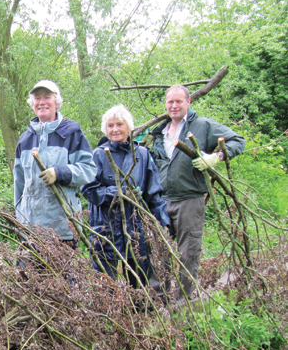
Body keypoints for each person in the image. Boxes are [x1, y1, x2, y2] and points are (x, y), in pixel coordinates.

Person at [149, 85, 245, 301]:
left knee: (188, 252)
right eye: (170, 101)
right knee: (158, 250)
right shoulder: (160, 132)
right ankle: (159, 300)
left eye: (178, 101)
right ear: (165, 103)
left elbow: (238, 141)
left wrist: (216, 157)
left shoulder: (201, 126)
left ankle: (184, 301)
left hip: (190, 200)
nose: (174, 106)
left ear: (188, 102)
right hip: (162, 201)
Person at [81, 105, 170, 288]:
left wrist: (163, 223)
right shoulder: (98, 155)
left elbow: (153, 193)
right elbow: (88, 190)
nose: (115, 130)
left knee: (139, 282)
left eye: (119, 124)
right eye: (110, 125)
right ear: (105, 129)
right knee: (106, 283)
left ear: (129, 127)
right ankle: (110, 316)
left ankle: (140, 314)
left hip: (136, 228)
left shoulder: (143, 155)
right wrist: (117, 192)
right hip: (106, 229)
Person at [13, 80, 96, 246]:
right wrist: (18, 221)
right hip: (30, 229)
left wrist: (60, 172)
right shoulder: (25, 139)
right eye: (37, 98)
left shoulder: (72, 133)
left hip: (63, 229)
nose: (42, 102)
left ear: (57, 103)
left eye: (47, 97)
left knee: (62, 273)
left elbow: (89, 169)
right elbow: (19, 184)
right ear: (32, 104)